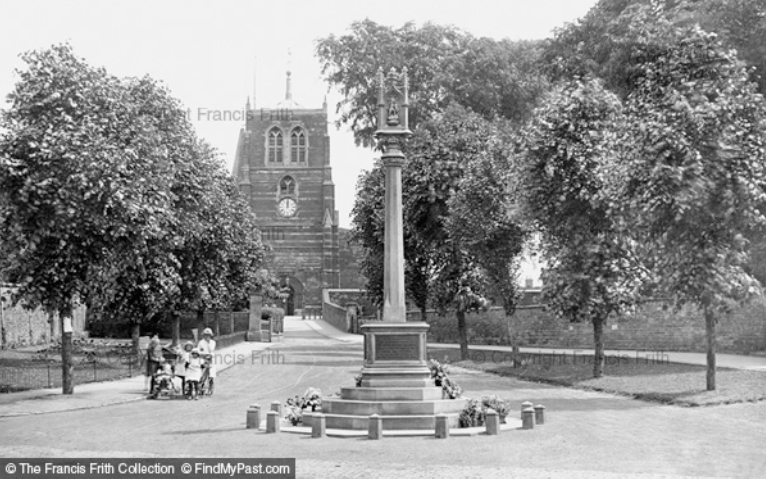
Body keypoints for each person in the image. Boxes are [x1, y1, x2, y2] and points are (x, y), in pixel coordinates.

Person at [197, 327, 217, 393]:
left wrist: (208, 343)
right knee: (202, 373)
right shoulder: (200, 342)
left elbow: (211, 350)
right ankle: (201, 386)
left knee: (211, 374)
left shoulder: (213, 342)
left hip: (211, 359)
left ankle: (210, 387)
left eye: (208, 335)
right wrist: (201, 354)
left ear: (211, 335)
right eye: (205, 335)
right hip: (203, 359)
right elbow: (198, 350)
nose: (207, 336)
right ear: (203, 335)